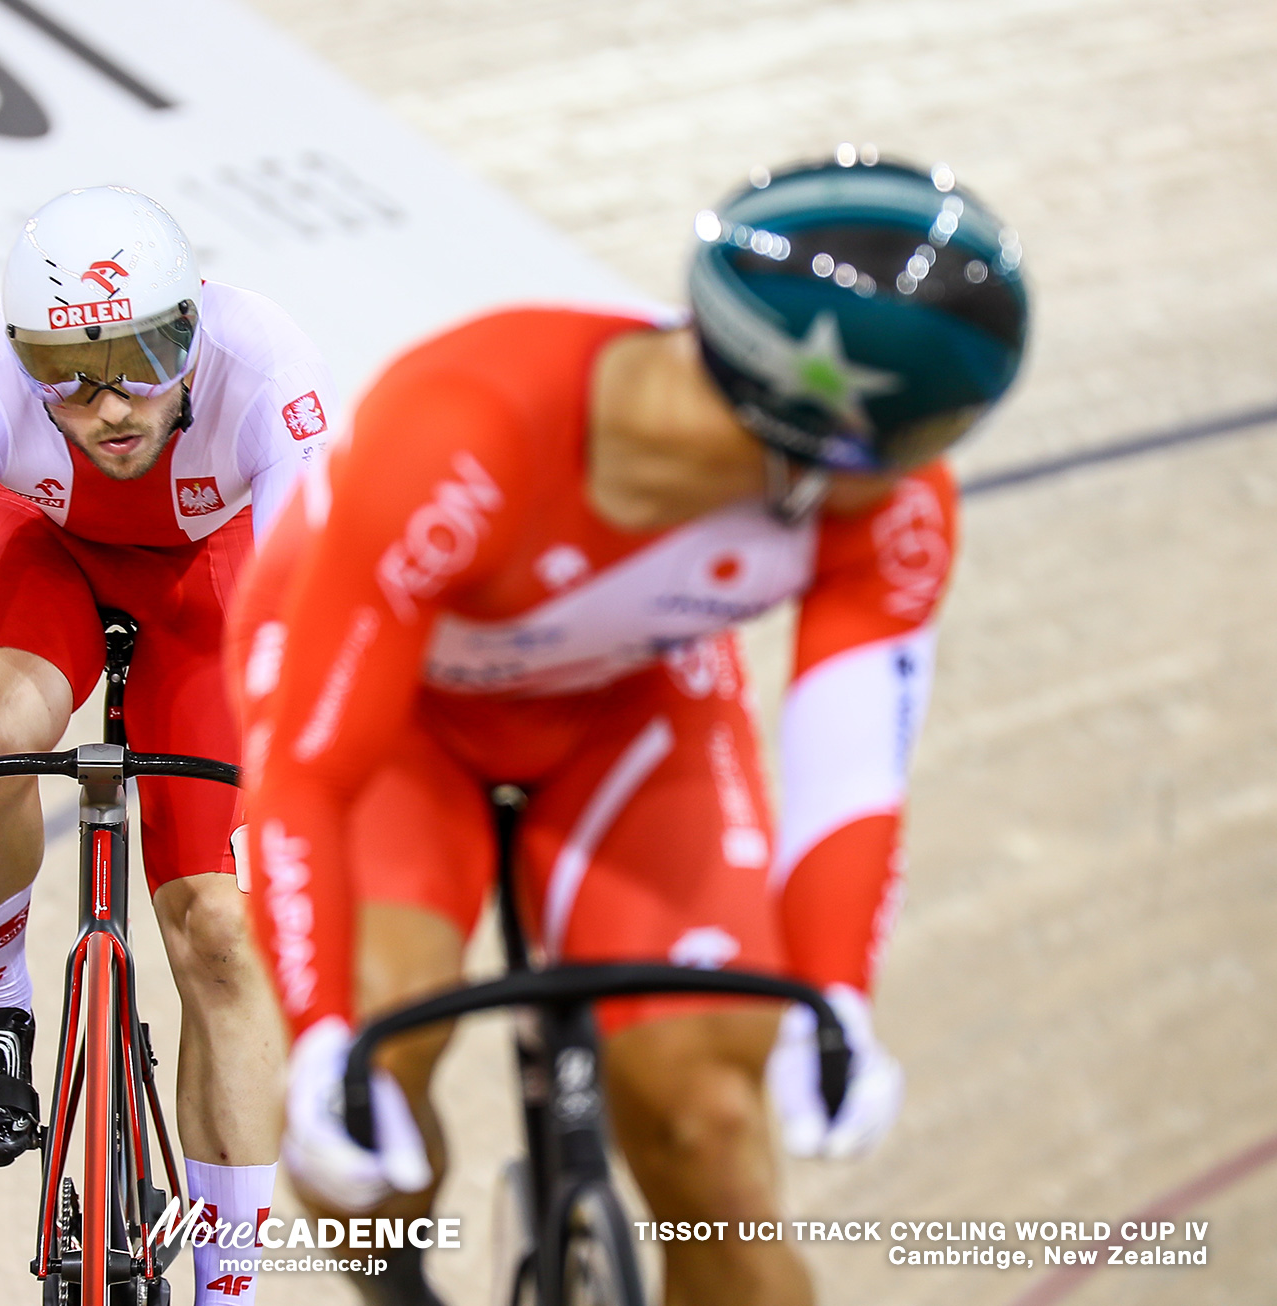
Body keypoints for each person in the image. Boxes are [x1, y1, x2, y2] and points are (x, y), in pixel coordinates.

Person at [227, 156, 1028, 1305]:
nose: (936, 469)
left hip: (623, 705)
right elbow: (310, 772)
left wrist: (837, 997)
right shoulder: (464, 429)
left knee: (710, 1128)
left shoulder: (890, 513)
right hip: (389, 720)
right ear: (811, 430)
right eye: (933, 432)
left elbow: (850, 779)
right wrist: (316, 1033)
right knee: (368, 1092)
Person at [0, 186, 336, 1306]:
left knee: (223, 934)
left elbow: (303, 635)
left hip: (217, 582)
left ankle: (230, 1289)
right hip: (50, 557)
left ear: (195, 324)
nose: (110, 402)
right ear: (19, 356)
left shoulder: (268, 367)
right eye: (66, 373)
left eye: (143, 357)